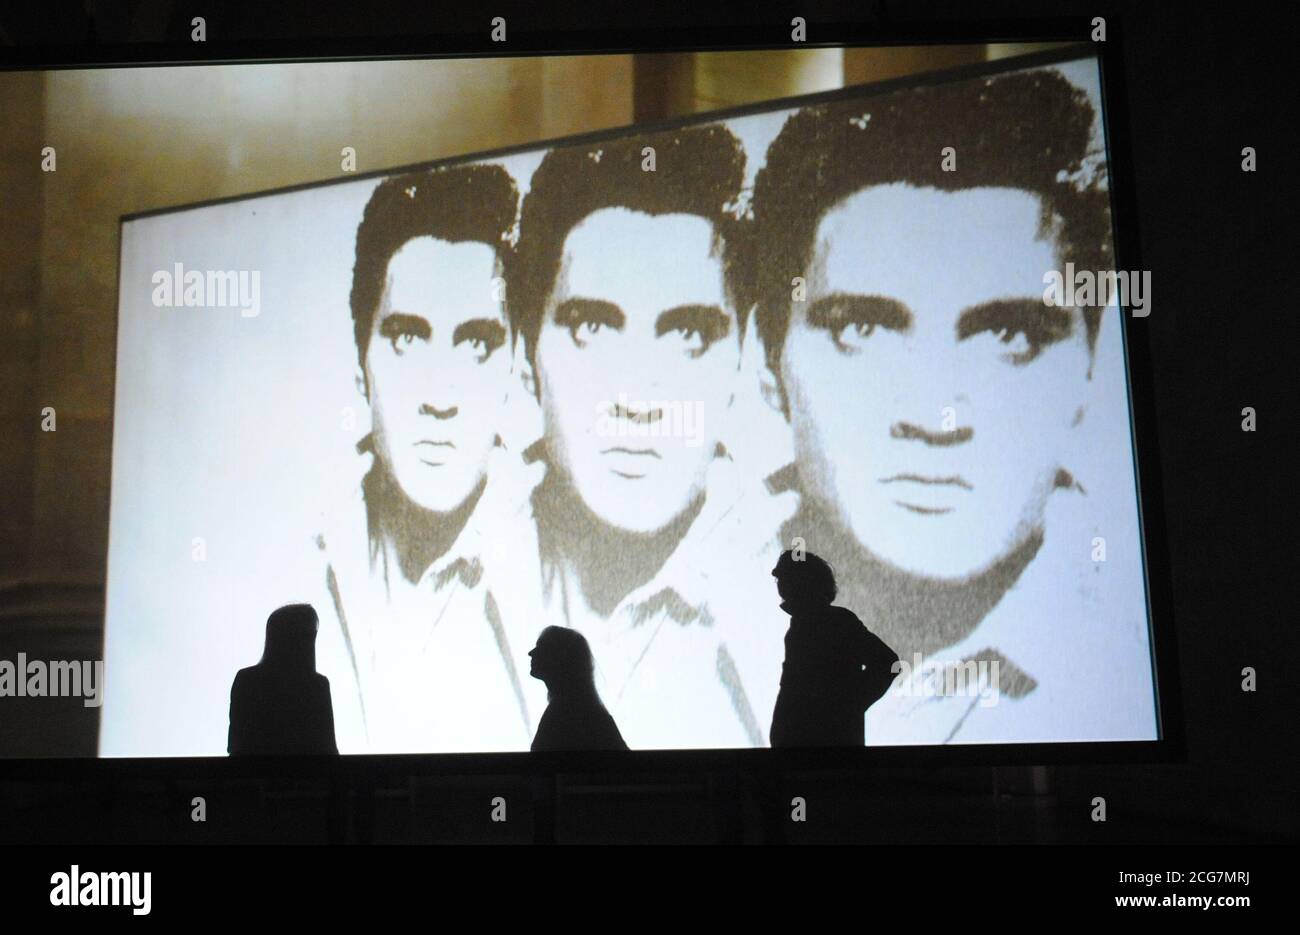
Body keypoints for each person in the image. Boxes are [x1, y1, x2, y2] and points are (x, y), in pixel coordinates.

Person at [749, 67, 1156, 743]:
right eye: (862, 328)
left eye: (1010, 334)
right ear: (770, 361)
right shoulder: (686, 603)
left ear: (1089, 363)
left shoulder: (1128, 646)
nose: (936, 415)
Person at [508, 125, 789, 748]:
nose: (635, 399)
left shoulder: (788, 592)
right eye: (591, 327)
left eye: (689, 334)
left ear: (746, 355)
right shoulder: (442, 572)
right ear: (526, 350)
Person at [313, 164, 545, 753]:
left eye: (476, 344)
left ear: (516, 364)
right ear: (359, 361)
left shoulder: (558, 566)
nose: (440, 397)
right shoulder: (293, 548)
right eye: (408, 338)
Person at [768, 552, 898, 747]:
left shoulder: (838, 622)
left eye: (786, 579)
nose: (781, 586)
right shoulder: (801, 629)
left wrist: (846, 707)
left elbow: (887, 663)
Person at [229, 604, 338, 756]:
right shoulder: (317, 685)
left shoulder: (247, 679)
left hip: (251, 777)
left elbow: (237, 745)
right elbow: (328, 749)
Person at [528, 626, 628, 752]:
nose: (531, 653)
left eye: (542, 647)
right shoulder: (592, 714)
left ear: (559, 658)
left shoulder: (562, 715)